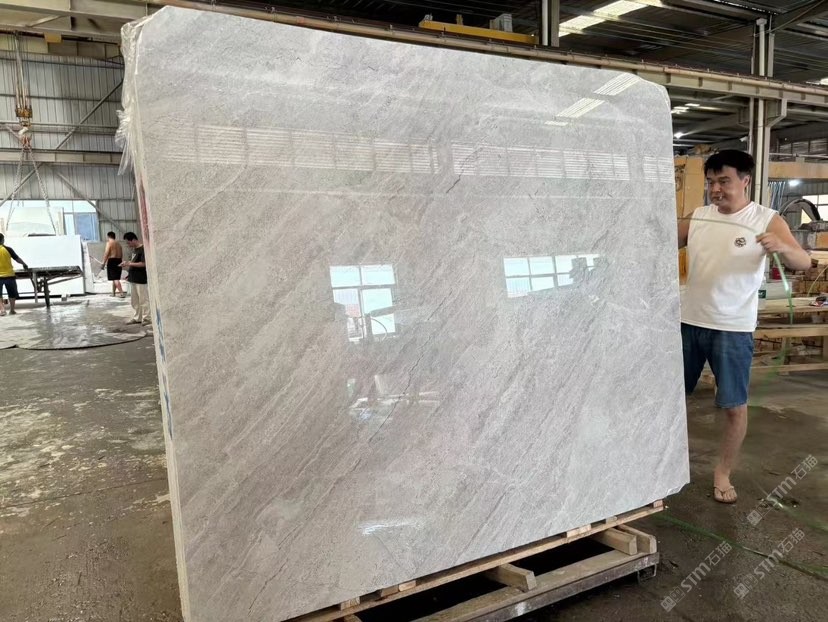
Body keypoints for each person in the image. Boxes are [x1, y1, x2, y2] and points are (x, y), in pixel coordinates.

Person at [677, 150, 810, 504]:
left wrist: (782, 247)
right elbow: (660, 241)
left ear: (745, 180)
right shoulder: (699, 217)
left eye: (724, 181)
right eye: (710, 182)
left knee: (734, 406)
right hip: (689, 323)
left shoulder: (765, 219)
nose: (715, 189)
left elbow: (803, 261)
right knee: (671, 400)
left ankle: (722, 472)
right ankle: (665, 464)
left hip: (732, 329)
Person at [122, 232, 149, 326]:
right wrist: (129, 272)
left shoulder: (142, 249)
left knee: (143, 300)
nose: (128, 244)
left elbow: (144, 264)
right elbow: (134, 262)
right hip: (133, 278)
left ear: (133, 240)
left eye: (128, 242)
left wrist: (129, 263)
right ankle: (138, 318)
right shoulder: (135, 250)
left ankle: (147, 318)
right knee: (135, 301)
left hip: (141, 279)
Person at [0, 233, 28, 316]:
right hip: (9, 275)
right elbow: (17, 259)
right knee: (12, 294)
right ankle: (12, 310)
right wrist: (24, 264)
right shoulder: (8, 249)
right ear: (2, 240)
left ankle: (2, 310)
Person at [101, 231, 125, 298]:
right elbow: (121, 254)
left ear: (108, 236)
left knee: (115, 278)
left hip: (112, 261)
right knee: (115, 278)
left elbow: (106, 253)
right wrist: (121, 262)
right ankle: (113, 293)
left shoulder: (109, 243)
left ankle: (121, 293)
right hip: (119, 260)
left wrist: (103, 263)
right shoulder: (119, 244)